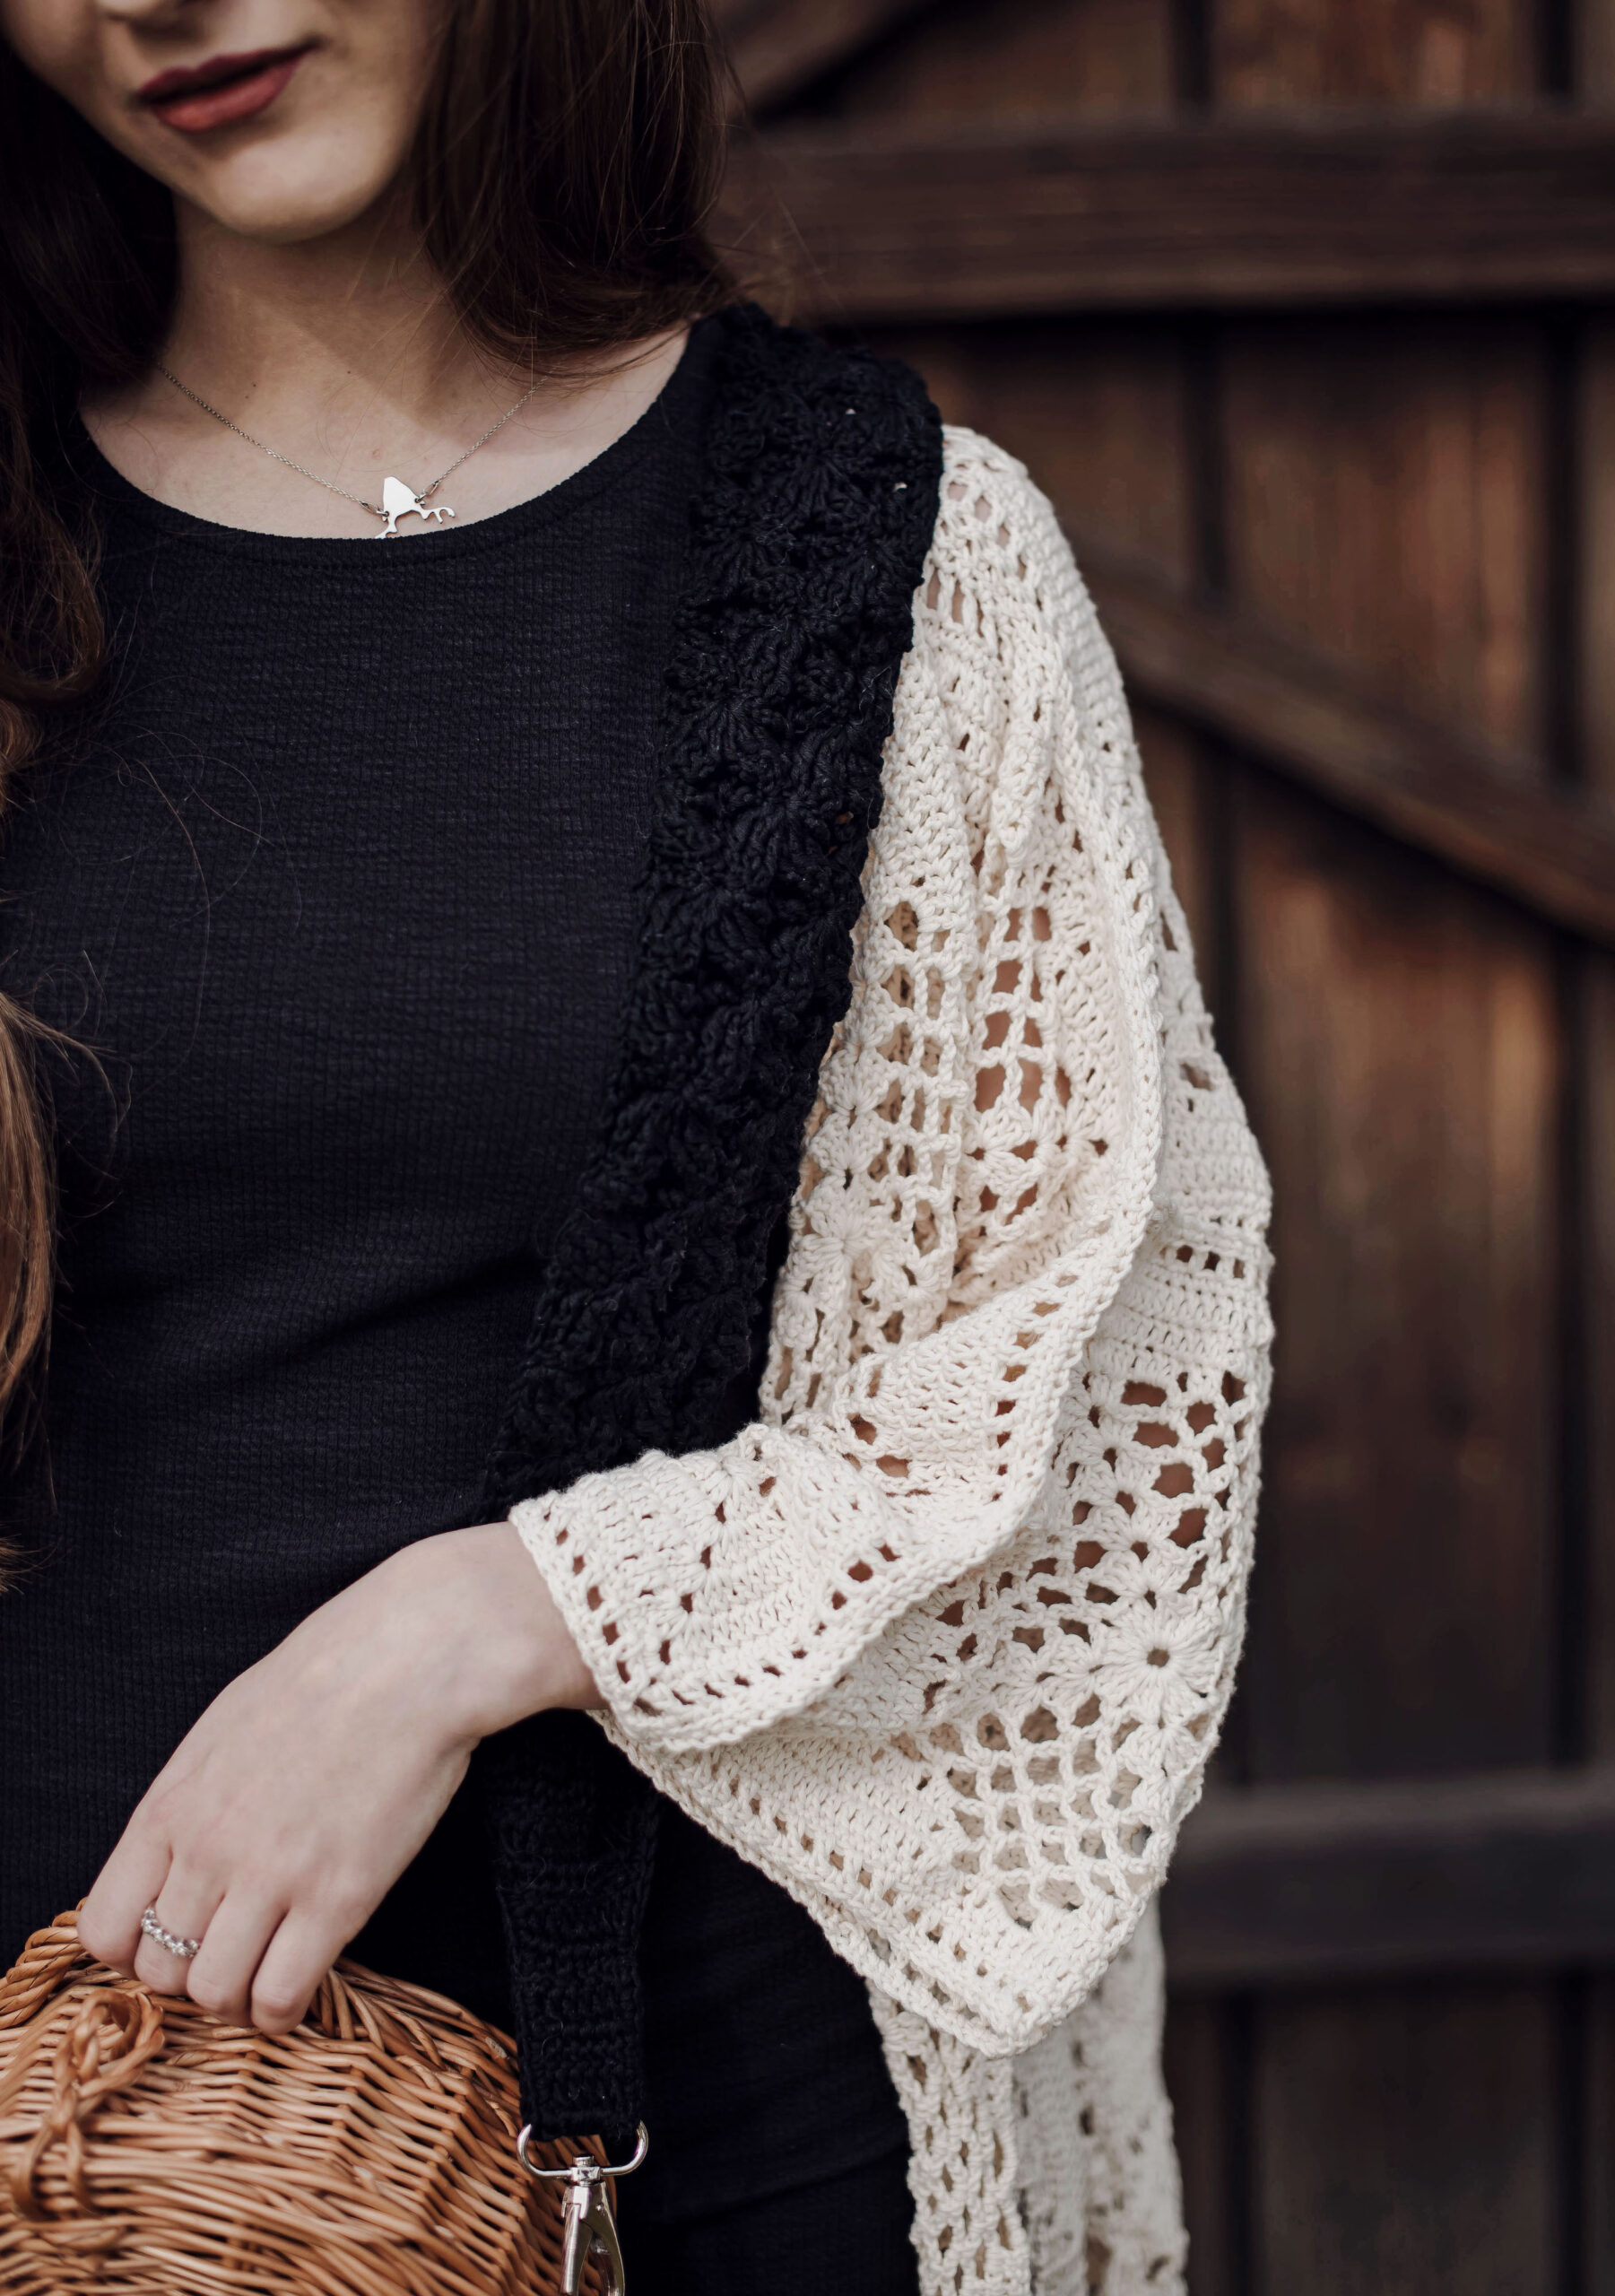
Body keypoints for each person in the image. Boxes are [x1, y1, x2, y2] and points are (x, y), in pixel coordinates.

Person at [0, 3, 1272, 2291]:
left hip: (713, 2126)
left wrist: (489, 1615)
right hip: (70, 2147)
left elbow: (1088, 1358)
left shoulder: (891, 559)